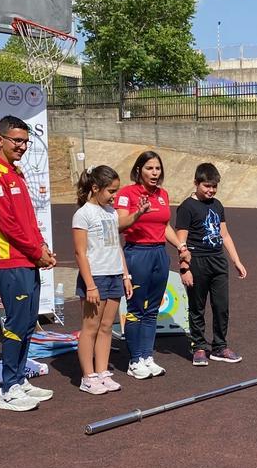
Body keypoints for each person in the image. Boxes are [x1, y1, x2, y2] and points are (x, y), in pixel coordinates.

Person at [0, 115, 56, 412]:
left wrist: (42, 246)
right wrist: (36, 251)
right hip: (11, 261)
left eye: (25, 141)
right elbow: (7, 225)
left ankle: (19, 380)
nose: (22, 146)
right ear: (0, 139)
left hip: (28, 258)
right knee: (16, 324)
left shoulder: (15, 173)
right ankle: (7, 389)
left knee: (27, 324)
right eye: (16, 141)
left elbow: (27, 219)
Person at [114, 151, 191, 380]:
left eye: (158, 168)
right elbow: (118, 224)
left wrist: (180, 245)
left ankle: (147, 356)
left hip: (159, 253)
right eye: (150, 168)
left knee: (152, 309)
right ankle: (135, 358)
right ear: (139, 170)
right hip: (137, 253)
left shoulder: (162, 194)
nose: (155, 173)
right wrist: (139, 213)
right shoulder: (127, 194)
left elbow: (165, 225)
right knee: (136, 308)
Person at [174, 162, 248, 365]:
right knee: (197, 306)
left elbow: (224, 234)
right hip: (197, 261)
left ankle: (220, 347)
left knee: (221, 306)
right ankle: (198, 346)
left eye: (214, 186)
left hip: (218, 261)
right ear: (196, 183)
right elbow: (181, 240)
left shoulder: (217, 205)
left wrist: (236, 260)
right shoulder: (187, 207)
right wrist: (184, 268)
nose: (211, 190)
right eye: (207, 186)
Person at [72, 165, 133, 396]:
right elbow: (80, 253)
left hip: (114, 274)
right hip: (95, 277)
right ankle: (88, 377)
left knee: (107, 327)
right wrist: (90, 285)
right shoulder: (83, 214)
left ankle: (102, 372)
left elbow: (116, 246)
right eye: (110, 191)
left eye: (116, 191)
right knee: (90, 328)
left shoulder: (112, 212)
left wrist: (125, 275)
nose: (114, 196)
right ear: (95, 188)